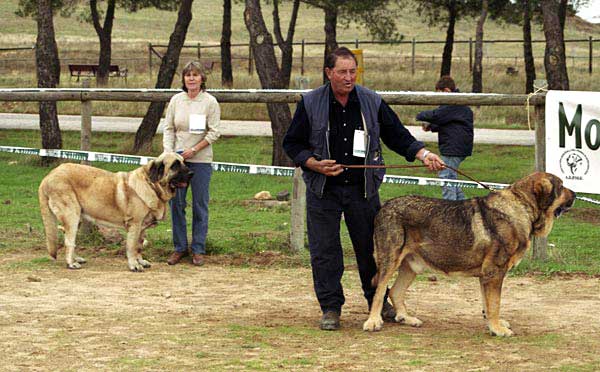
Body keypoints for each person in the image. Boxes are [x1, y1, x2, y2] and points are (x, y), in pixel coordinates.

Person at [283, 47, 445, 331]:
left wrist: (423, 154)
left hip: (363, 190)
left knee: (372, 250)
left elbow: (397, 135)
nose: (348, 78)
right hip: (323, 189)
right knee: (325, 251)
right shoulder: (310, 103)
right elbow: (292, 144)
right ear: (328, 73)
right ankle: (331, 308)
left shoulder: (371, 101)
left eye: (352, 72)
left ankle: (378, 304)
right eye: (342, 72)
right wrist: (314, 164)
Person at [163, 61, 221, 267]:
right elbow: (169, 128)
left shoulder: (210, 102)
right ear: (183, 79)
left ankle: (198, 249)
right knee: (176, 203)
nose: (192, 79)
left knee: (199, 204)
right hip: (177, 161)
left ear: (202, 78)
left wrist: (195, 149)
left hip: (200, 160)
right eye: (188, 75)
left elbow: (214, 132)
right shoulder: (176, 100)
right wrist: (169, 153)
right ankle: (179, 247)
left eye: (195, 75)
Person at [417, 76, 474, 200]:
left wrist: (420, 115)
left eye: (439, 95)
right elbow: (448, 122)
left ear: (447, 91)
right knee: (451, 179)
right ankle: (462, 207)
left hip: (453, 148)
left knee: (446, 177)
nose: (439, 99)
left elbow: (437, 115)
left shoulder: (453, 103)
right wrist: (431, 127)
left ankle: (450, 209)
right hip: (457, 146)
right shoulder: (457, 105)